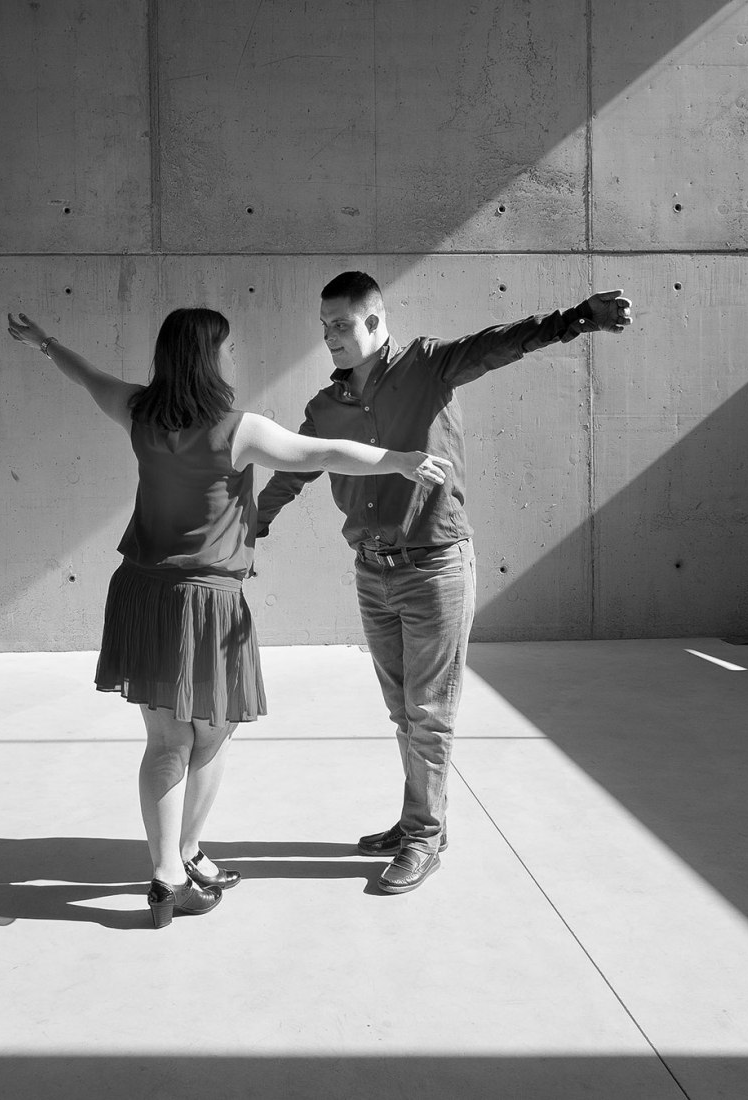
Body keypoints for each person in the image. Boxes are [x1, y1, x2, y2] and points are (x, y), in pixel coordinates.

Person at [7, 307, 452, 928]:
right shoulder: (235, 430)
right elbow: (319, 451)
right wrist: (398, 460)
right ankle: (174, 866)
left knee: (166, 742)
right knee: (207, 736)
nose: (235, 355)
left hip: (143, 593)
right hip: (206, 601)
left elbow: (88, 377)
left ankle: (177, 866)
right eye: (230, 347)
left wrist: (45, 339)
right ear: (210, 358)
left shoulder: (140, 412)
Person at [255, 272, 632, 894]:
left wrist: (578, 318)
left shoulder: (429, 365)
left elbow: (498, 344)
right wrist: (253, 524)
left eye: (342, 326)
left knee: (429, 713)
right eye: (324, 328)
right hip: (372, 571)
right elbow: (300, 465)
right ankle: (415, 822)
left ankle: (426, 838)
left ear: (376, 322)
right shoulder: (328, 407)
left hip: (434, 567)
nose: (330, 339)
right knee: (403, 710)